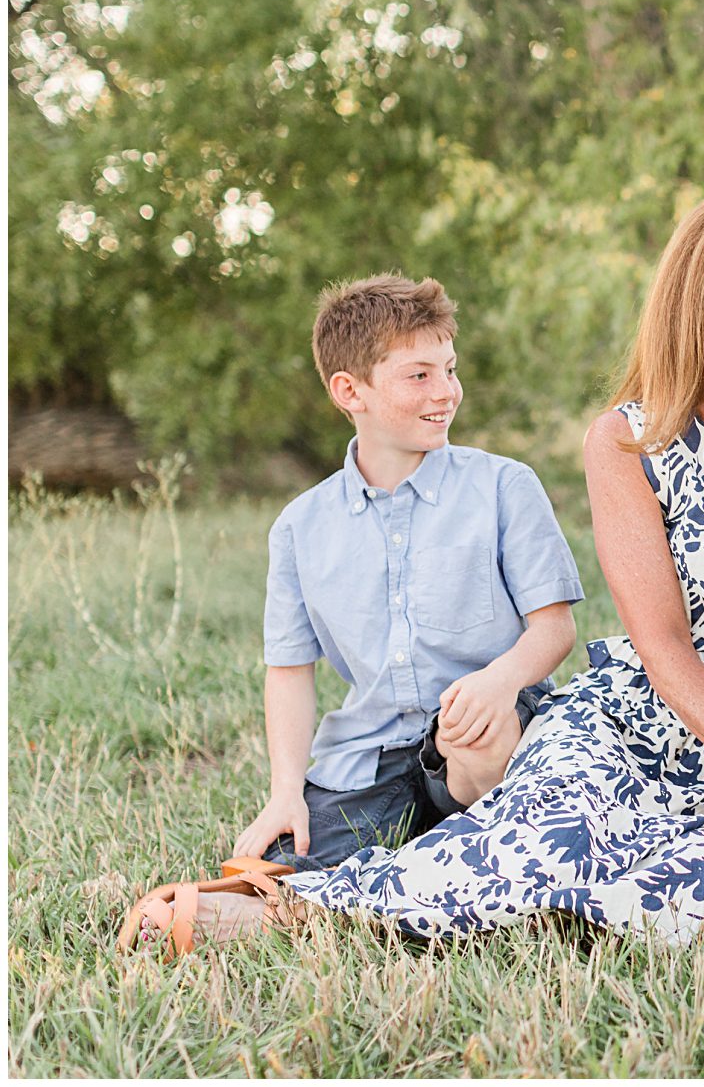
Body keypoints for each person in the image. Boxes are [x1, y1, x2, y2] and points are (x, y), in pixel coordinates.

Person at [125, 179, 704, 954]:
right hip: (656, 721)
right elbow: (663, 648)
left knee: (698, 888)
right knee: (548, 821)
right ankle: (290, 908)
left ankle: (338, 902)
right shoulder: (628, 441)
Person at [122, 274, 583, 951]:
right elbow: (289, 669)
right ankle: (341, 899)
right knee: (286, 862)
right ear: (350, 392)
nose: (445, 392)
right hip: (367, 754)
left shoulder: (503, 486)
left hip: (493, 735)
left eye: (449, 370)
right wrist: (286, 790)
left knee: (473, 739)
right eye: (418, 375)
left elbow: (554, 627)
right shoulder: (301, 526)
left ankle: (492, 881)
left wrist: (499, 680)